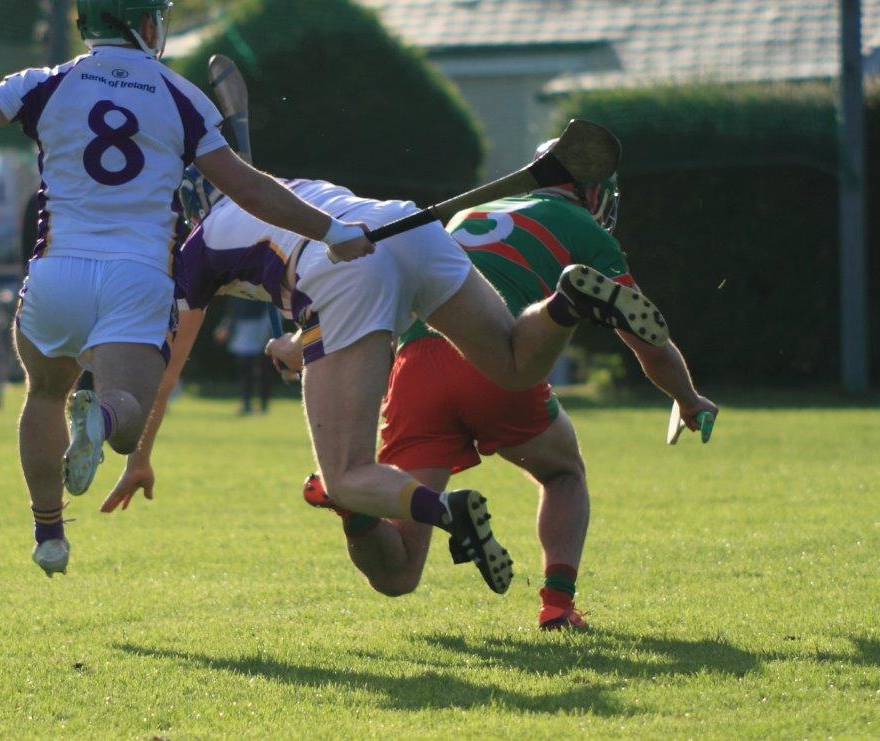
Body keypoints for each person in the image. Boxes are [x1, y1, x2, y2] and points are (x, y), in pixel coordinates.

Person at [0, 0, 373, 578]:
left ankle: (49, 532)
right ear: (143, 24)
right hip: (136, 277)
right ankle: (103, 417)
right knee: (124, 414)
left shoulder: (47, 83)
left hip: (55, 274)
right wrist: (331, 230)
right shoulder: (181, 95)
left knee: (45, 393)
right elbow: (246, 188)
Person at [99, 167, 671, 596]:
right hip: (405, 228)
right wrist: (299, 342)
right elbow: (348, 297)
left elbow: (168, 365)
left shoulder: (195, 252)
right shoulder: (288, 185)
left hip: (342, 269)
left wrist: (138, 456)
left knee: (344, 478)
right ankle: (565, 304)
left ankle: (447, 510)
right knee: (514, 365)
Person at [271, 141, 718, 630]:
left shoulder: (472, 212)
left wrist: (293, 347)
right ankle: (557, 605)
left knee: (398, 574)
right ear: (592, 192)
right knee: (563, 473)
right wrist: (687, 398)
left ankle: (353, 505)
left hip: (415, 369)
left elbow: (365, 304)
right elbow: (648, 342)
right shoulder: (584, 228)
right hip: (494, 357)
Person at [214, 298, 276, 414]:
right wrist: (227, 326)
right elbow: (233, 309)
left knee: (263, 367)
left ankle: (264, 404)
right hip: (243, 327)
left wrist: (270, 324)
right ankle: (246, 403)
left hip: (262, 322)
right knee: (245, 368)